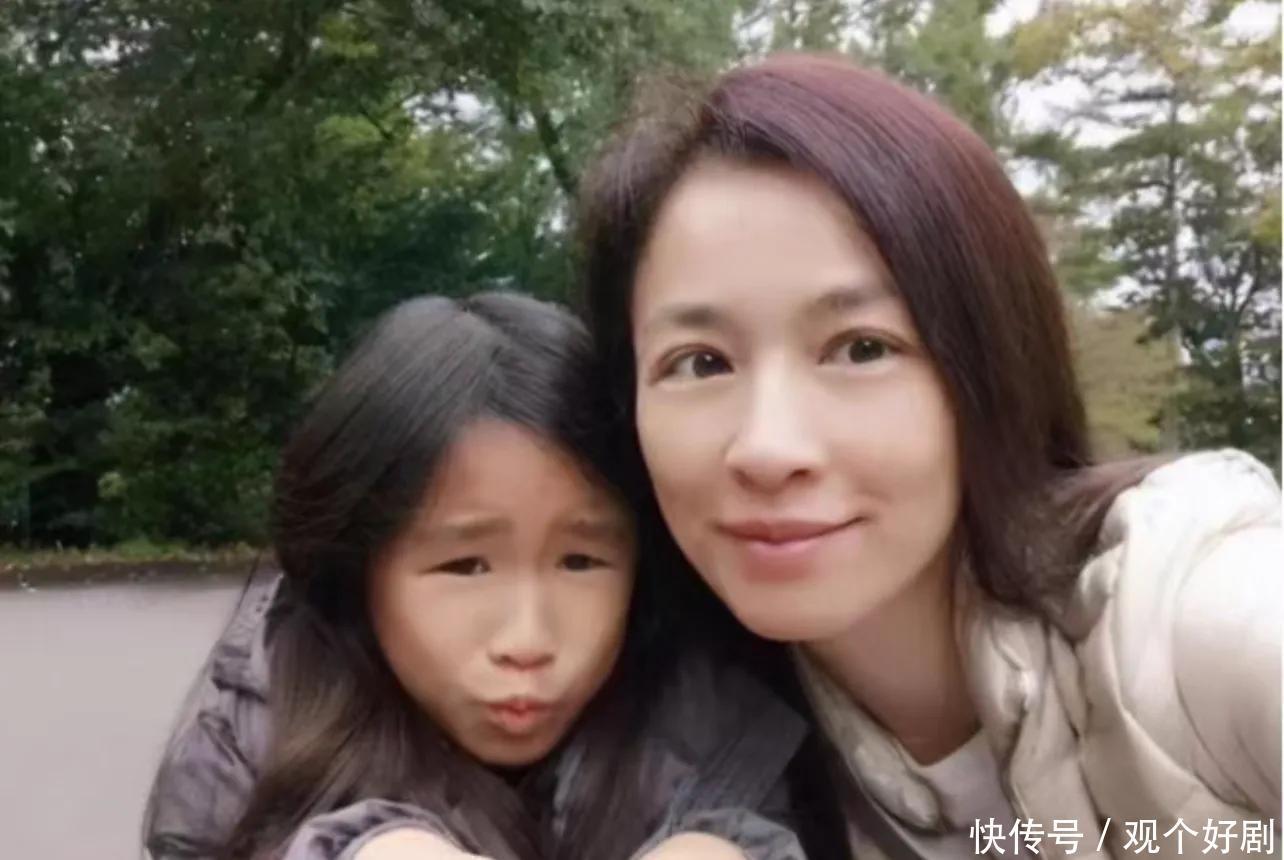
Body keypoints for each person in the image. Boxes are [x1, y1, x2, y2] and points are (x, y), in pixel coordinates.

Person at [579, 53, 1281, 858]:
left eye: (861, 348)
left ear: (992, 366)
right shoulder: (669, 741)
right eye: (701, 362)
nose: (768, 449)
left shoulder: (1181, 613)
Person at [143, 292, 837, 860]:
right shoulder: (253, 746)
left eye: (581, 561)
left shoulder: (717, 719)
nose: (526, 641)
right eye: (465, 564)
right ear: (357, 566)